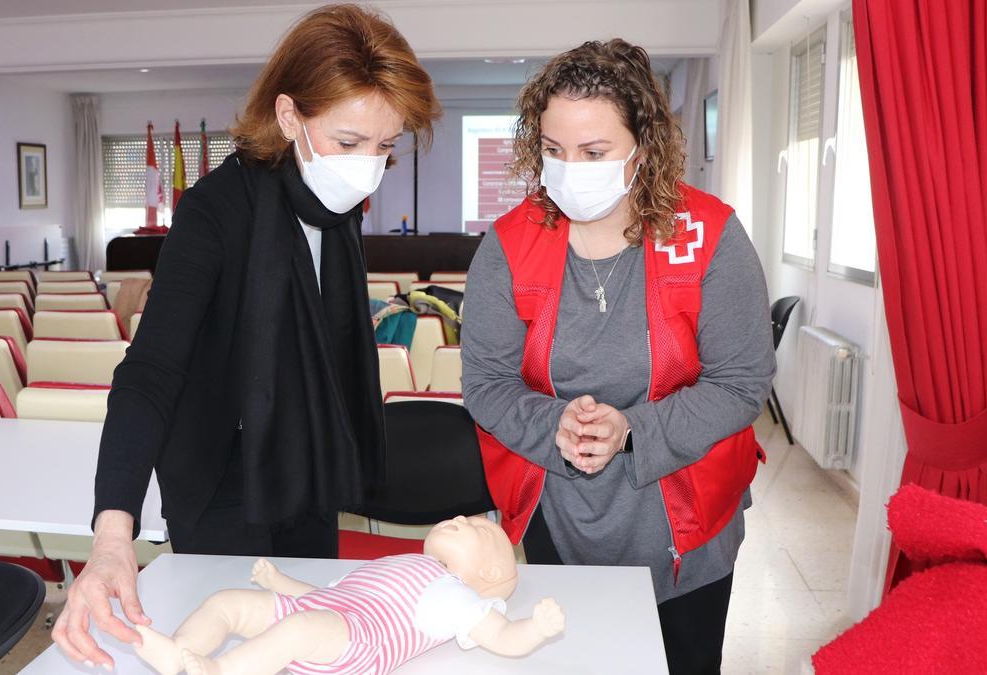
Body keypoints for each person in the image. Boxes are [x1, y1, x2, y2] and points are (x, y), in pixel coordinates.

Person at [51, 5, 441, 669]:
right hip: (222, 474)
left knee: (307, 643)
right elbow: (151, 372)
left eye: (385, 147)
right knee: (226, 646)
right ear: (289, 117)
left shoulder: (335, 210)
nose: (368, 167)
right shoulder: (214, 211)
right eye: (349, 142)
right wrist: (114, 531)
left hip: (308, 464)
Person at [461, 39, 775, 675]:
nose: (570, 168)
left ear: (643, 146)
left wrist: (634, 428)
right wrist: (557, 425)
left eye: (594, 152)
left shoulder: (709, 235)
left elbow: (742, 382)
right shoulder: (508, 246)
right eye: (553, 151)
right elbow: (487, 384)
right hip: (559, 518)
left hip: (688, 525)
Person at [132, 515, 564, 675]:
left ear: (487, 572)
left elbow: (504, 638)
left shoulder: (455, 596)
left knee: (299, 630)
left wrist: (535, 629)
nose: (459, 518)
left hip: (360, 643)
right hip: (328, 612)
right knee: (227, 601)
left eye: (478, 528)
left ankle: (219, 671)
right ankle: (180, 654)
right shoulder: (405, 564)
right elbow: (331, 594)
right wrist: (280, 583)